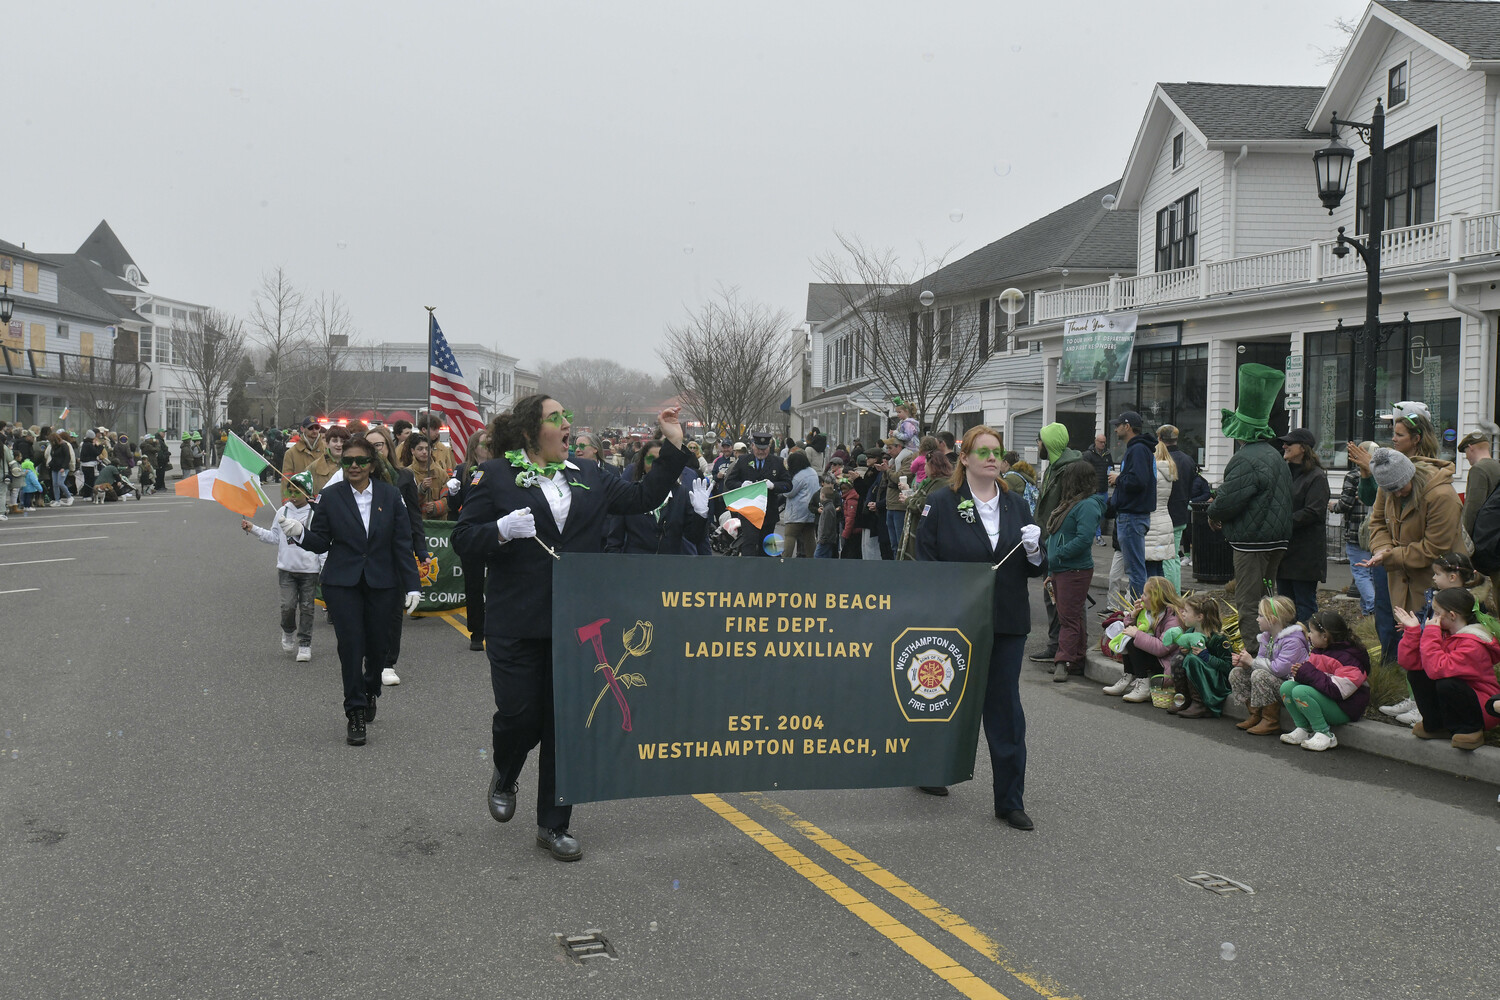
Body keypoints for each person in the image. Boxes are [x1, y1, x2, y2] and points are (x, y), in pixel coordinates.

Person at [452, 397, 691, 862]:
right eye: (555, 418)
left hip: (576, 624)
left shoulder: (589, 473)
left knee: (565, 726)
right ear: (529, 432)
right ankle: (505, 770)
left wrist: (673, 445)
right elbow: (464, 540)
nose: (567, 425)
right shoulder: (496, 475)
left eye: (567, 418)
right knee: (520, 715)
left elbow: (643, 499)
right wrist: (499, 530)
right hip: (516, 620)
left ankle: (553, 824)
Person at [915, 425, 1045, 831]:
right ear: (965, 458)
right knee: (945, 696)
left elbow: (1036, 568)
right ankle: (932, 769)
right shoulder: (940, 503)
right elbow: (926, 562)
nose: (992, 457)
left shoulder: (1017, 505)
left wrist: (1036, 550)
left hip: (1006, 621)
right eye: (982, 451)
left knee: (1005, 708)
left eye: (996, 451)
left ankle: (1010, 800)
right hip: (955, 622)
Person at [277, 436, 422, 746]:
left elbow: (402, 542)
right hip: (342, 583)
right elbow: (321, 541)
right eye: (347, 461)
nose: (353, 465)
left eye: (360, 461)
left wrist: (412, 584)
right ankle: (354, 710)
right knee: (351, 647)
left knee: (377, 647)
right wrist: (300, 533)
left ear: (372, 464)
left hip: (383, 583)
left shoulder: (390, 495)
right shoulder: (331, 497)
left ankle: (370, 690)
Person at [1206, 364, 1293, 658]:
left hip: (1251, 543)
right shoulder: (1276, 456)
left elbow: (1229, 501)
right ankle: (1278, 651)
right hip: (1277, 541)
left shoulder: (1244, 459)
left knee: (1248, 601)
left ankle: (1255, 657)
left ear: (1240, 432)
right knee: (1269, 598)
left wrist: (1213, 512)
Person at [1394, 589, 1500, 750]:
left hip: (1483, 707)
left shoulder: (1473, 643)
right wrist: (1413, 632)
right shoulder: (1445, 634)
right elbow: (1410, 663)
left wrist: (1429, 634)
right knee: (1417, 675)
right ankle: (1437, 725)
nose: (1433, 618)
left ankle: (1471, 730)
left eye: (1437, 613)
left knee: (1447, 683)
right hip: (1457, 701)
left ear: (1452, 615)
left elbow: (1437, 669)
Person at [243, 470, 324, 662]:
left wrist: (324, 566)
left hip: (309, 571)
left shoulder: (316, 513)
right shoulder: (282, 511)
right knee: (287, 606)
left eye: (298, 491)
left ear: (307, 492)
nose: (293, 496)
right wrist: (252, 528)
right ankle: (288, 632)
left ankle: (305, 644)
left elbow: (323, 543)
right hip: (287, 569)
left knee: (307, 608)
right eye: (291, 491)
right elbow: (274, 537)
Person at [1042, 460, 1105, 681]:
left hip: (1074, 569)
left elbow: (1084, 539)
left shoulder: (1086, 505)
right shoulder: (1073, 504)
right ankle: (1075, 660)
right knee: (1073, 615)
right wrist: (1052, 568)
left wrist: (1059, 554)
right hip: (1063, 569)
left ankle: (1063, 661)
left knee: (1068, 618)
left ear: (1074, 480)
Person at [1278, 610, 1371, 752]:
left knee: (1300, 691)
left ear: (1325, 636)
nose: (1308, 635)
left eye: (1311, 632)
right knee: (1287, 687)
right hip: (1328, 699)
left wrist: (1308, 673)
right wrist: (1300, 674)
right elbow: (1316, 679)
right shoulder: (1318, 650)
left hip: (1345, 708)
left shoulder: (1349, 658)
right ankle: (1304, 728)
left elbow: (1338, 691)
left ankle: (1325, 734)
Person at [1030, 422, 1083, 664]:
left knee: (1067, 600)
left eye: (1040, 440)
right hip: (1048, 541)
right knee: (1051, 596)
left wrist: (1057, 540)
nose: (1038, 444)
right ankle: (1055, 645)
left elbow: (1071, 506)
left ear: (1049, 443)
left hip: (1061, 544)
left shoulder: (1070, 470)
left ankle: (1070, 651)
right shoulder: (1053, 467)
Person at [605, 438, 710, 554]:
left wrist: (700, 514)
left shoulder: (681, 494)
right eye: (651, 459)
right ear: (642, 463)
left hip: (669, 567)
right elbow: (614, 541)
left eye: (661, 461)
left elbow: (694, 536)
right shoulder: (630, 493)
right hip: (635, 567)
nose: (656, 465)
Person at [1229, 595, 1308, 736]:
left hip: (1289, 687)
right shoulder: (1268, 636)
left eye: (1260, 616)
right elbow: (1261, 660)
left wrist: (1252, 662)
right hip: (1274, 681)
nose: (1257, 619)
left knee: (1259, 675)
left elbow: (1279, 670)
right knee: (1237, 672)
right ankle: (1255, 714)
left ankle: (1270, 720)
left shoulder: (1293, 641)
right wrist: (1246, 664)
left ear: (1272, 620)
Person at [1276, 427, 1330, 624]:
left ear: (1303, 448)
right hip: (1285, 552)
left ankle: (1307, 646)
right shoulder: (1285, 474)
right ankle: (1287, 646)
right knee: (1284, 604)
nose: (1284, 446)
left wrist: (1281, 522)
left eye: (1289, 443)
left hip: (1306, 555)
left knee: (1304, 604)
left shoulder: (1316, 477)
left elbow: (1314, 512)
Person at [1103, 576, 1184, 703]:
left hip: (1166, 664)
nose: (1141, 598)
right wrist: (1133, 615)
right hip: (1157, 658)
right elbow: (1132, 628)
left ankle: (1143, 684)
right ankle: (1128, 676)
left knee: (1134, 642)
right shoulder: (1151, 611)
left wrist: (1137, 634)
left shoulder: (1172, 618)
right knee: (1128, 638)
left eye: (1145, 594)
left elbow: (1162, 648)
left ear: (1156, 598)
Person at [448, 429, 494, 650]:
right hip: (471, 533)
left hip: (495, 531)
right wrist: (453, 491)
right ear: (474, 447)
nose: (487, 448)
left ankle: (496, 627)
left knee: (496, 582)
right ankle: (477, 632)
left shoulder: (497, 470)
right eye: (483, 444)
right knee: (473, 584)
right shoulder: (462, 470)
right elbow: (453, 506)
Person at [1106, 411, 1156, 596]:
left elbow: (1138, 481)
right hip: (1133, 515)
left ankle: (1139, 613)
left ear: (1127, 426)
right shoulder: (1139, 448)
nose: (1116, 428)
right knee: (1135, 569)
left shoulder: (1137, 449)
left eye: (1118, 425)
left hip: (1132, 517)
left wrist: (1119, 479)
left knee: (1135, 571)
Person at [724, 431, 792, 557]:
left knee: (766, 547)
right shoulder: (743, 460)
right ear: (753, 446)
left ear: (769, 447)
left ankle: (765, 574)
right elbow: (729, 482)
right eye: (759, 449)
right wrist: (742, 485)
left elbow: (788, 485)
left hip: (768, 513)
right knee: (749, 543)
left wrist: (773, 486)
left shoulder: (777, 462)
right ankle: (748, 572)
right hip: (749, 513)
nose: (761, 452)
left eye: (764, 449)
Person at [1330, 440, 1378, 615]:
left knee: (1360, 572)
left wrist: (1332, 507)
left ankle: (1373, 608)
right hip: (1376, 533)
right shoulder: (1380, 474)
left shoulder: (1353, 476)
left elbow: (1346, 504)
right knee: (1372, 573)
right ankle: (1368, 612)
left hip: (1357, 531)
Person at [1171, 594, 1234, 719]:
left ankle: (1200, 704)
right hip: (1200, 674)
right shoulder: (1190, 632)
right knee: (1178, 659)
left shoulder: (1218, 638)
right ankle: (1184, 698)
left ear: (1199, 617)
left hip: (1215, 682)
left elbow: (1228, 667)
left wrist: (1206, 656)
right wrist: (1185, 651)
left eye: (1186, 611)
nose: (1182, 613)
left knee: (1191, 659)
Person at [1156, 425, 1195, 588]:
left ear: (1160, 439)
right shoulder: (1188, 460)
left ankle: (1170, 597)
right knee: (1173, 559)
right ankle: (1175, 595)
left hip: (1162, 515)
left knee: (1166, 559)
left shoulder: (1159, 461)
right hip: (1181, 514)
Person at [1142, 438, 1177, 586]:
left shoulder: (1154, 472)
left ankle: (1153, 604)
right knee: (1159, 567)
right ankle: (1163, 601)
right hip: (1164, 520)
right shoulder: (1169, 471)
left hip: (1152, 522)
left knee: (1149, 569)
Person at [781, 452, 819, 558]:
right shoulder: (812, 472)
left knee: (790, 535)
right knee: (810, 538)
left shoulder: (798, 476)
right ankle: (812, 561)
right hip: (810, 511)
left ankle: (786, 559)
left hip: (797, 512)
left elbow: (788, 492)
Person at [281, 418, 331, 498]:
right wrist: (286, 500)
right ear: (302, 429)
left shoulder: (327, 450)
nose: (314, 431)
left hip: (324, 499)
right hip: (301, 499)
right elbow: (286, 480)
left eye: (317, 427)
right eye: (310, 428)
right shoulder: (291, 453)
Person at [812, 479, 841, 558]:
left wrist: (822, 539)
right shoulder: (829, 507)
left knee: (817, 556)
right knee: (826, 557)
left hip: (825, 540)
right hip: (827, 539)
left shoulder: (828, 509)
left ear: (822, 495)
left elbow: (827, 525)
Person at [47, 432, 74, 506]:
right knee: (55, 484)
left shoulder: (64, 445)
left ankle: (69, 496)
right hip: (54, 467)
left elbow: (67, 457)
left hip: (62, 468)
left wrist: (64, 467)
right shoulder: (53, 447)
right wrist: (50, 464)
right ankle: (57, 500)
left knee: (60, 483)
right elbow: (53, 457)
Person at [1082, 432, 1112, 497]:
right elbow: (1084, 472)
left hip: (1104, 489)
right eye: (1101, 442)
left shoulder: (1108, 454)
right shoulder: (1088, 455)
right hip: (1092, 490)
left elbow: (1111, 467)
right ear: (1096, 441)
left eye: (1104, 442)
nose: (1103, 444)